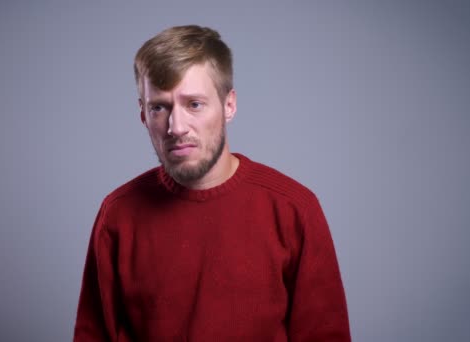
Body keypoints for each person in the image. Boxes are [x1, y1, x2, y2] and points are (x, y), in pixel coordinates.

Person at [74, 25, 351, 341]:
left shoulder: (294, 210)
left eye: (194, 104)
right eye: (159, 107)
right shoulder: (118, 214)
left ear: (229, 105)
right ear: (142, 114)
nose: (176, 127)